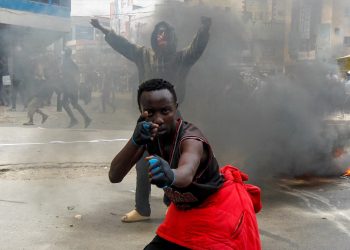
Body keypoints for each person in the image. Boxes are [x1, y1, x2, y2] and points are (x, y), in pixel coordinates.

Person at [109, 79, 262, 249]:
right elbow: (114, 176)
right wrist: (134, 141)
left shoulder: (190, 138)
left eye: (165, 111)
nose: (158, 119)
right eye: (150, 112)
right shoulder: (147, 135)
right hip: (184, 209)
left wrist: (170, 175)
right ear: (141, 112)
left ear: (176, 107)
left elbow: (186, 173)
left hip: (217, 208)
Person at [91, 16, 211, 222]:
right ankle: (142, 209)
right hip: (148, 119)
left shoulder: (181, 57)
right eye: (158, 33)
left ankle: (172, 205)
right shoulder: (143, 54)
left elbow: (195, 49)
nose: (161, 36)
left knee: (172, 161)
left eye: (165, 33)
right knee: (142, 164)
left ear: (172, 38)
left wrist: (203, 30)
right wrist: (105, 31)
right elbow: (124, 45)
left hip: (173, 119)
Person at [61, 48, 92, 128]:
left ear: (66, 54)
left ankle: (74, 119)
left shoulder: (67, 62)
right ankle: (86, 118)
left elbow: (69, 75)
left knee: (65, 103)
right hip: (71, 86)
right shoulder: (70, 62)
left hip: (69, 86)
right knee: (74, 104)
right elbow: (76, 73)